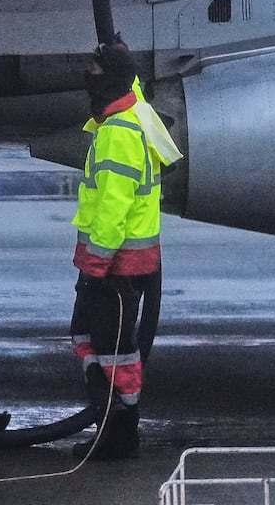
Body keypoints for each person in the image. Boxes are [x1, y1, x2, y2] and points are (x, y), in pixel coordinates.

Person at [69, 37, 182, 460]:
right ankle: (110, 419)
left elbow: (114, 207)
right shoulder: (126, 117)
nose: (88, 79)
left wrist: (96, 265)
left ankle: (119, 432)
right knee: (89, 338)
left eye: (95, 72)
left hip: (115, 265)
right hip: (110, 264)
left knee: (115, 351)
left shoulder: (119, 132)